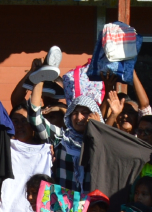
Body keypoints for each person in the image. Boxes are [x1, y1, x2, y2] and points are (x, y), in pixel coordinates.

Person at [26, 66, 99, 195]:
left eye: (85, 113)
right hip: (62, 208)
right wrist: (40, 79)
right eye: (74, 113)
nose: (79, 117)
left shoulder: (102, 141)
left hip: (91, 209)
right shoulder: (61, 138)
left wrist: (99, 130)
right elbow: (35, 119)